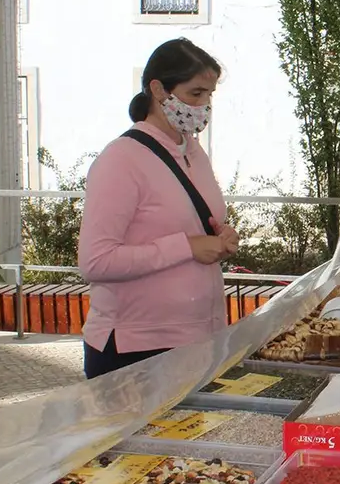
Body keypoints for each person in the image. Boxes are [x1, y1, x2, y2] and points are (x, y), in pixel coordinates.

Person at [77, 38, 239, 379]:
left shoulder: (193, 152)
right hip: (134, 349)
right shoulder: (121, 159)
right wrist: (187, 246)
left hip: (198, 338)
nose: (204, 106)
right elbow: (95, 261)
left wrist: (220, 237)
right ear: (158, 89)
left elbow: (198, 220)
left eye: (209, 95)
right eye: (196, 94)